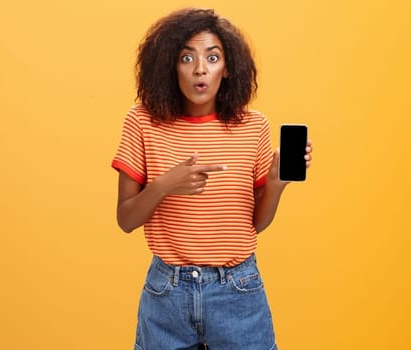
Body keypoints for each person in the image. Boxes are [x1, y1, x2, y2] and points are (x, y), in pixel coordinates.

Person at [111, 8, 312, 350]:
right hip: (166, 295)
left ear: (228, 67)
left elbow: (255, 224)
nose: (200, 69)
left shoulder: (253, 127)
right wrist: (164, 185)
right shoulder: (143, 121)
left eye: (212, 57)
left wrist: (276, 185)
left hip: (238, 290)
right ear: (170, 66)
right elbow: (126, 220)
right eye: (186, 57)